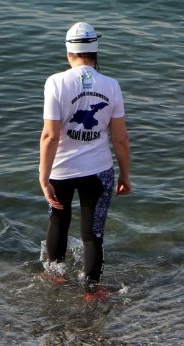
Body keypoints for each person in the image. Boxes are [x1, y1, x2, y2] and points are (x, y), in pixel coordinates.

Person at [39, 22, 131, 288]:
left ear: (69, 52)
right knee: (93, 234)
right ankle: (92, 289)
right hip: (99, 170)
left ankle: (55, 278)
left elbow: (50, 136)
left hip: (61, 170)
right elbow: (120, 138)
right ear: (95, 51)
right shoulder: (111, 85)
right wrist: (125, 174)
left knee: (58, 220)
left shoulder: (55, 82)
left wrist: (44, 177)